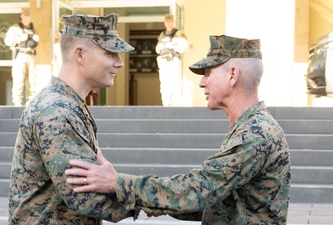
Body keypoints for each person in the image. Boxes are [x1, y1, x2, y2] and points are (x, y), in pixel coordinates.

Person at [65, 35, 292, 224]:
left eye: (208, 73)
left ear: (233, 75)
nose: (202, 83)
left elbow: (199, 189)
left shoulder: (256, 133)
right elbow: (217, 202)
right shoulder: (250, 128)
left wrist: (118, 183)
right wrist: (151, 200)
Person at [8, 13, 140, 224]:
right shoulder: (57, 111)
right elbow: (84, 196)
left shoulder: (67, 104)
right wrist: (148, 196)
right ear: (80, 55)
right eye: (110, 53)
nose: (119, 63)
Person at [4, 8, 39, 106]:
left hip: (31, 56)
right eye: (25, 16)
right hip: (20, 56)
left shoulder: (33, 29)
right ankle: (17, 104)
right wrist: (19, 38)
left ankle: (30, 104)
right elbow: (7, 41)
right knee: (18, 81)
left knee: (32, 81)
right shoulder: (15, 28)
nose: (27, 18)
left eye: (28, 16)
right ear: (21, 16)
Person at [155, 13, 189, 106]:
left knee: (175, 84)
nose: (168, 23)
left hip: (173, 61)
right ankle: (166, 104)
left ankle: (176, 105)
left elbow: (185, 46)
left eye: (170, 21)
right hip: (163, 62)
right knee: (165, 85)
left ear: (173, 22)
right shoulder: (163, 34)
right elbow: (157, 48)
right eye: (166, 21)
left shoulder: (178, 33)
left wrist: (174, 45)